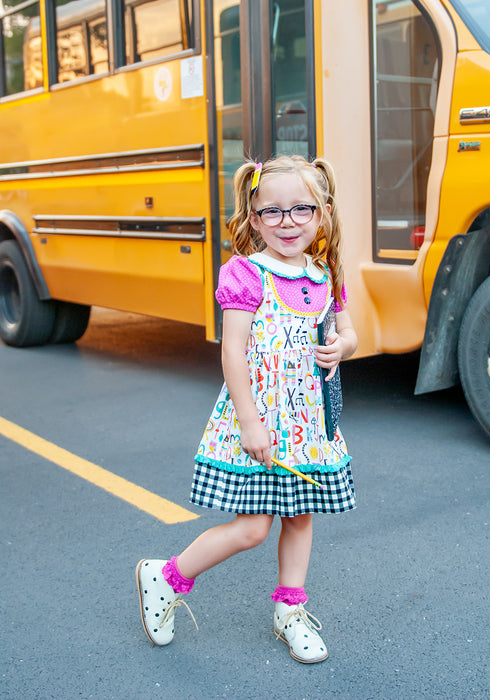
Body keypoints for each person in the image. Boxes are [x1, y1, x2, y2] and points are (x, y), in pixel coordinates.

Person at [136, 155, 358, 664]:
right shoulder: (246, 273)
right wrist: (252, 424)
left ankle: (290, 611)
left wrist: (341, 347)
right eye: (273, 212)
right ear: (255, 219)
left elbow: (349, 331)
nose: (288, 222)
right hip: (258, 420)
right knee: (253, 527)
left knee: (300, 517)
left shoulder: (325, 273)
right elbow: (231, 351)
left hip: (307, 424)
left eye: (301, 209)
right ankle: (165, 578)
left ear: (321, 213)